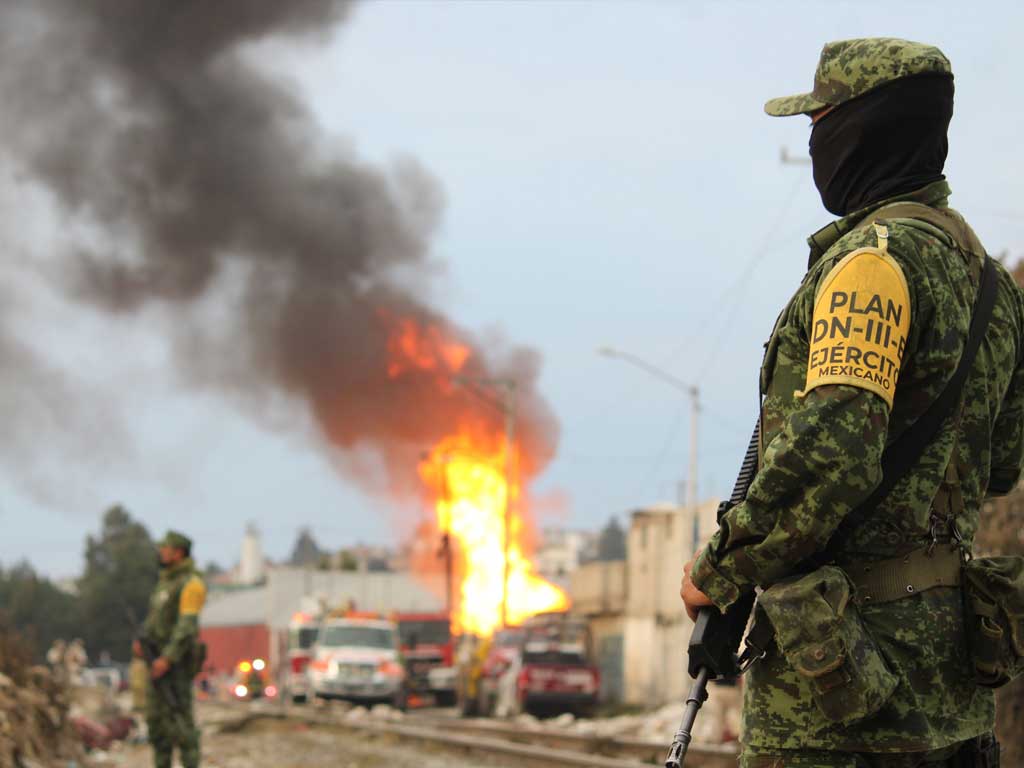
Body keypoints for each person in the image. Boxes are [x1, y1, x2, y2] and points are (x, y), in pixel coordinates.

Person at [680, 38, 1024, 767]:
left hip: (843, 703)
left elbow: (828, 454)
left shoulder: (870, 266)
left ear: (857, 131)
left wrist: (717, 570)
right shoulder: (993, 288)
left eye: (820, 123)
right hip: (951, 688)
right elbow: (999, 466)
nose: (813, 146)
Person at [134, 530, 207, 768]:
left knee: (181, 723)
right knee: (157, 725)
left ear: (178, 552)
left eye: (165, 548)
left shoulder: (191, 584)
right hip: (155, 662)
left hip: (176, 666)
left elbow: (187, 626)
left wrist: (167, 658)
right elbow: (156, 620)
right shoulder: (165, 582)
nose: (160, 552)